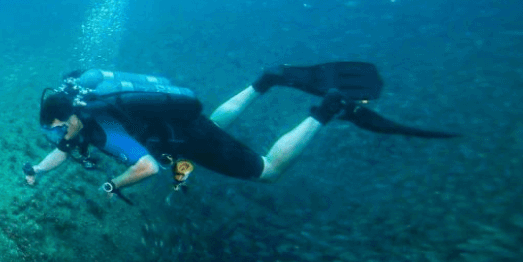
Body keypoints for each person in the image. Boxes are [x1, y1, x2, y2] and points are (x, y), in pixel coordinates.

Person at [23, 64, 456, 196]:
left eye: (63, 129)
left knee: (268, 170)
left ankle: (327, 108)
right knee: (204, 123)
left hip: (184, 139)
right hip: (179, 123)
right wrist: (39, 170)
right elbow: (63, 147)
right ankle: (264, 81)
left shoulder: (108, 128)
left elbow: (149, 168)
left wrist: (114, 186)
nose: (62, 137)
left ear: (72, 115)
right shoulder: (81, 103)